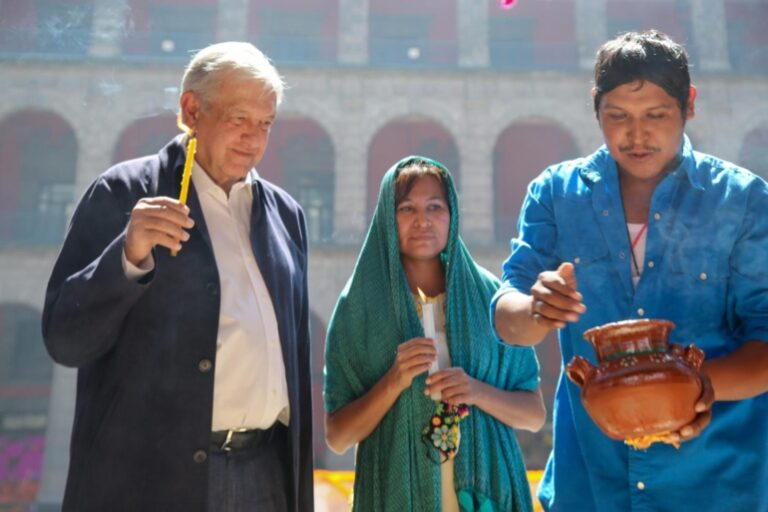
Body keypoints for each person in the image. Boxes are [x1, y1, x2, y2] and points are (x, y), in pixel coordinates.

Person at [493, 30, 768, 511]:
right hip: (592, 486)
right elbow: (506, 316)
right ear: (595, 108)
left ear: (690, 104)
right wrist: (537, 309)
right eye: (617, 116)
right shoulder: (557, 194)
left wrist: (702, 388)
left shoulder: (741, 201)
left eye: (656, 116)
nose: (636, 135)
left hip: (717, 485)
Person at [42, 42, 313, 512]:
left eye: (265, 124)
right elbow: (65, 339)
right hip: (154, 481)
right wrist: (126, 256)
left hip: (266, 475)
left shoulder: (285, 215)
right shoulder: (123, 192)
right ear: (192, 109)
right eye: (238, 119)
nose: (253, 138)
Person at [324, 156, 546, 511]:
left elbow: (533, 414)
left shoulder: (490, 299)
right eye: (406, 208)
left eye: (434, 207)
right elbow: (338, 436)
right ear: (386, 217)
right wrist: (394, 380)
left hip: (487, 495)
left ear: (452, 214)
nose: (422, 220)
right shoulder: (361, 307)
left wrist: (475, 391)